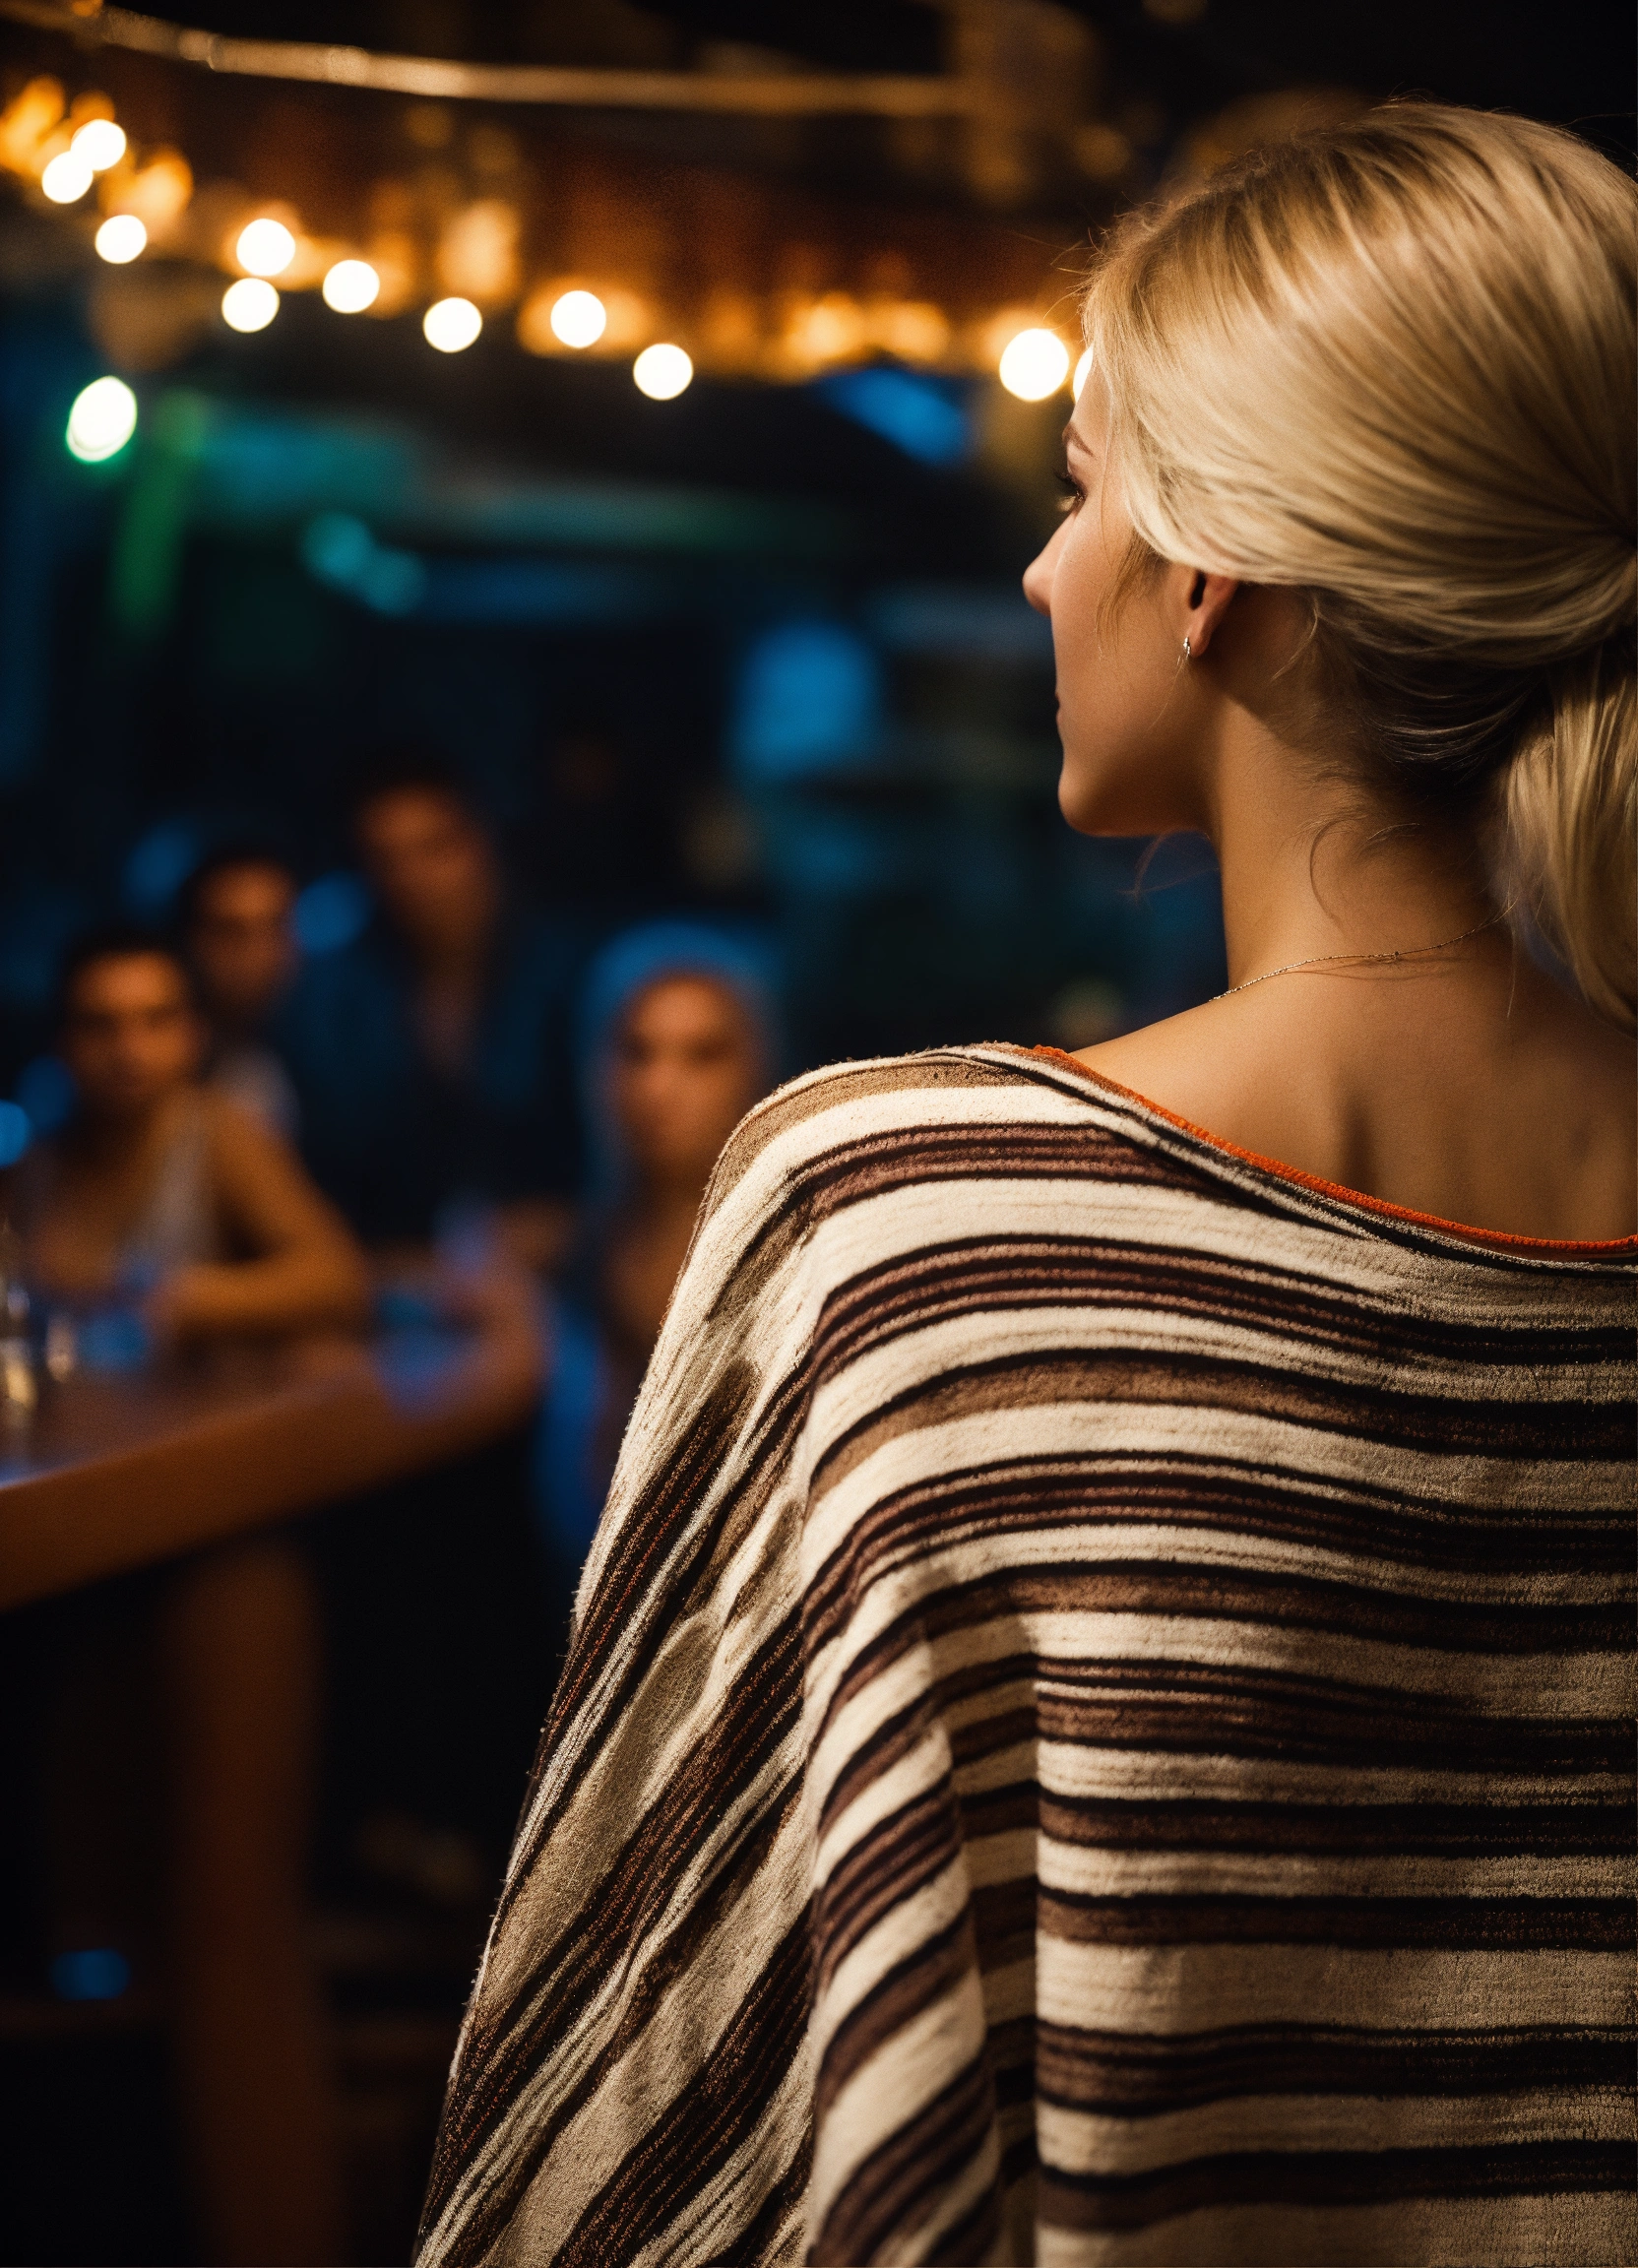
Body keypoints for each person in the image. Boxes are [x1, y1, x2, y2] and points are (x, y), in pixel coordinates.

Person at [417, 107, 1635, 2268]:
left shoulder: (897, 1222)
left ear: (1207, 569)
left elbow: (671, 2112)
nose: (1034, 570)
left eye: (1076, 490)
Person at [20, 924, 368, 2266]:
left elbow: (326, 1273)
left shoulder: (208, 1133)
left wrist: (188, 1301)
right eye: (103, 1023)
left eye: (157, 1018)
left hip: (211, 1513)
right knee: (103, 1894)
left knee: (224, 1904)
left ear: (188, 1035)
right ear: (67, 1039)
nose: (130, 1047)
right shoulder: (43, 1155)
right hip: (90, 1531)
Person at [534, 922, 779, 1580]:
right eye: (636, 1052)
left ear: (762, 1065)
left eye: (703, 1054)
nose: (659, 1087)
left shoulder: (797, 1256)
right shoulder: (582, 1251)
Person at [280, 751, 582, 1259]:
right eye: (386, 859)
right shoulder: (333, 997)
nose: (412, 878)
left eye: (435, 848)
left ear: (482, 842)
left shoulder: (564, 972)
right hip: (391, 1282)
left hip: (564, 1271)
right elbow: (328, 1166)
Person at [177, 845, 303, 1141]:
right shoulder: (169, 1063)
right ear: (192, 941)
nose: (258, 953)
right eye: (231, 931)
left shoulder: (316, 1043)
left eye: (275, 927)